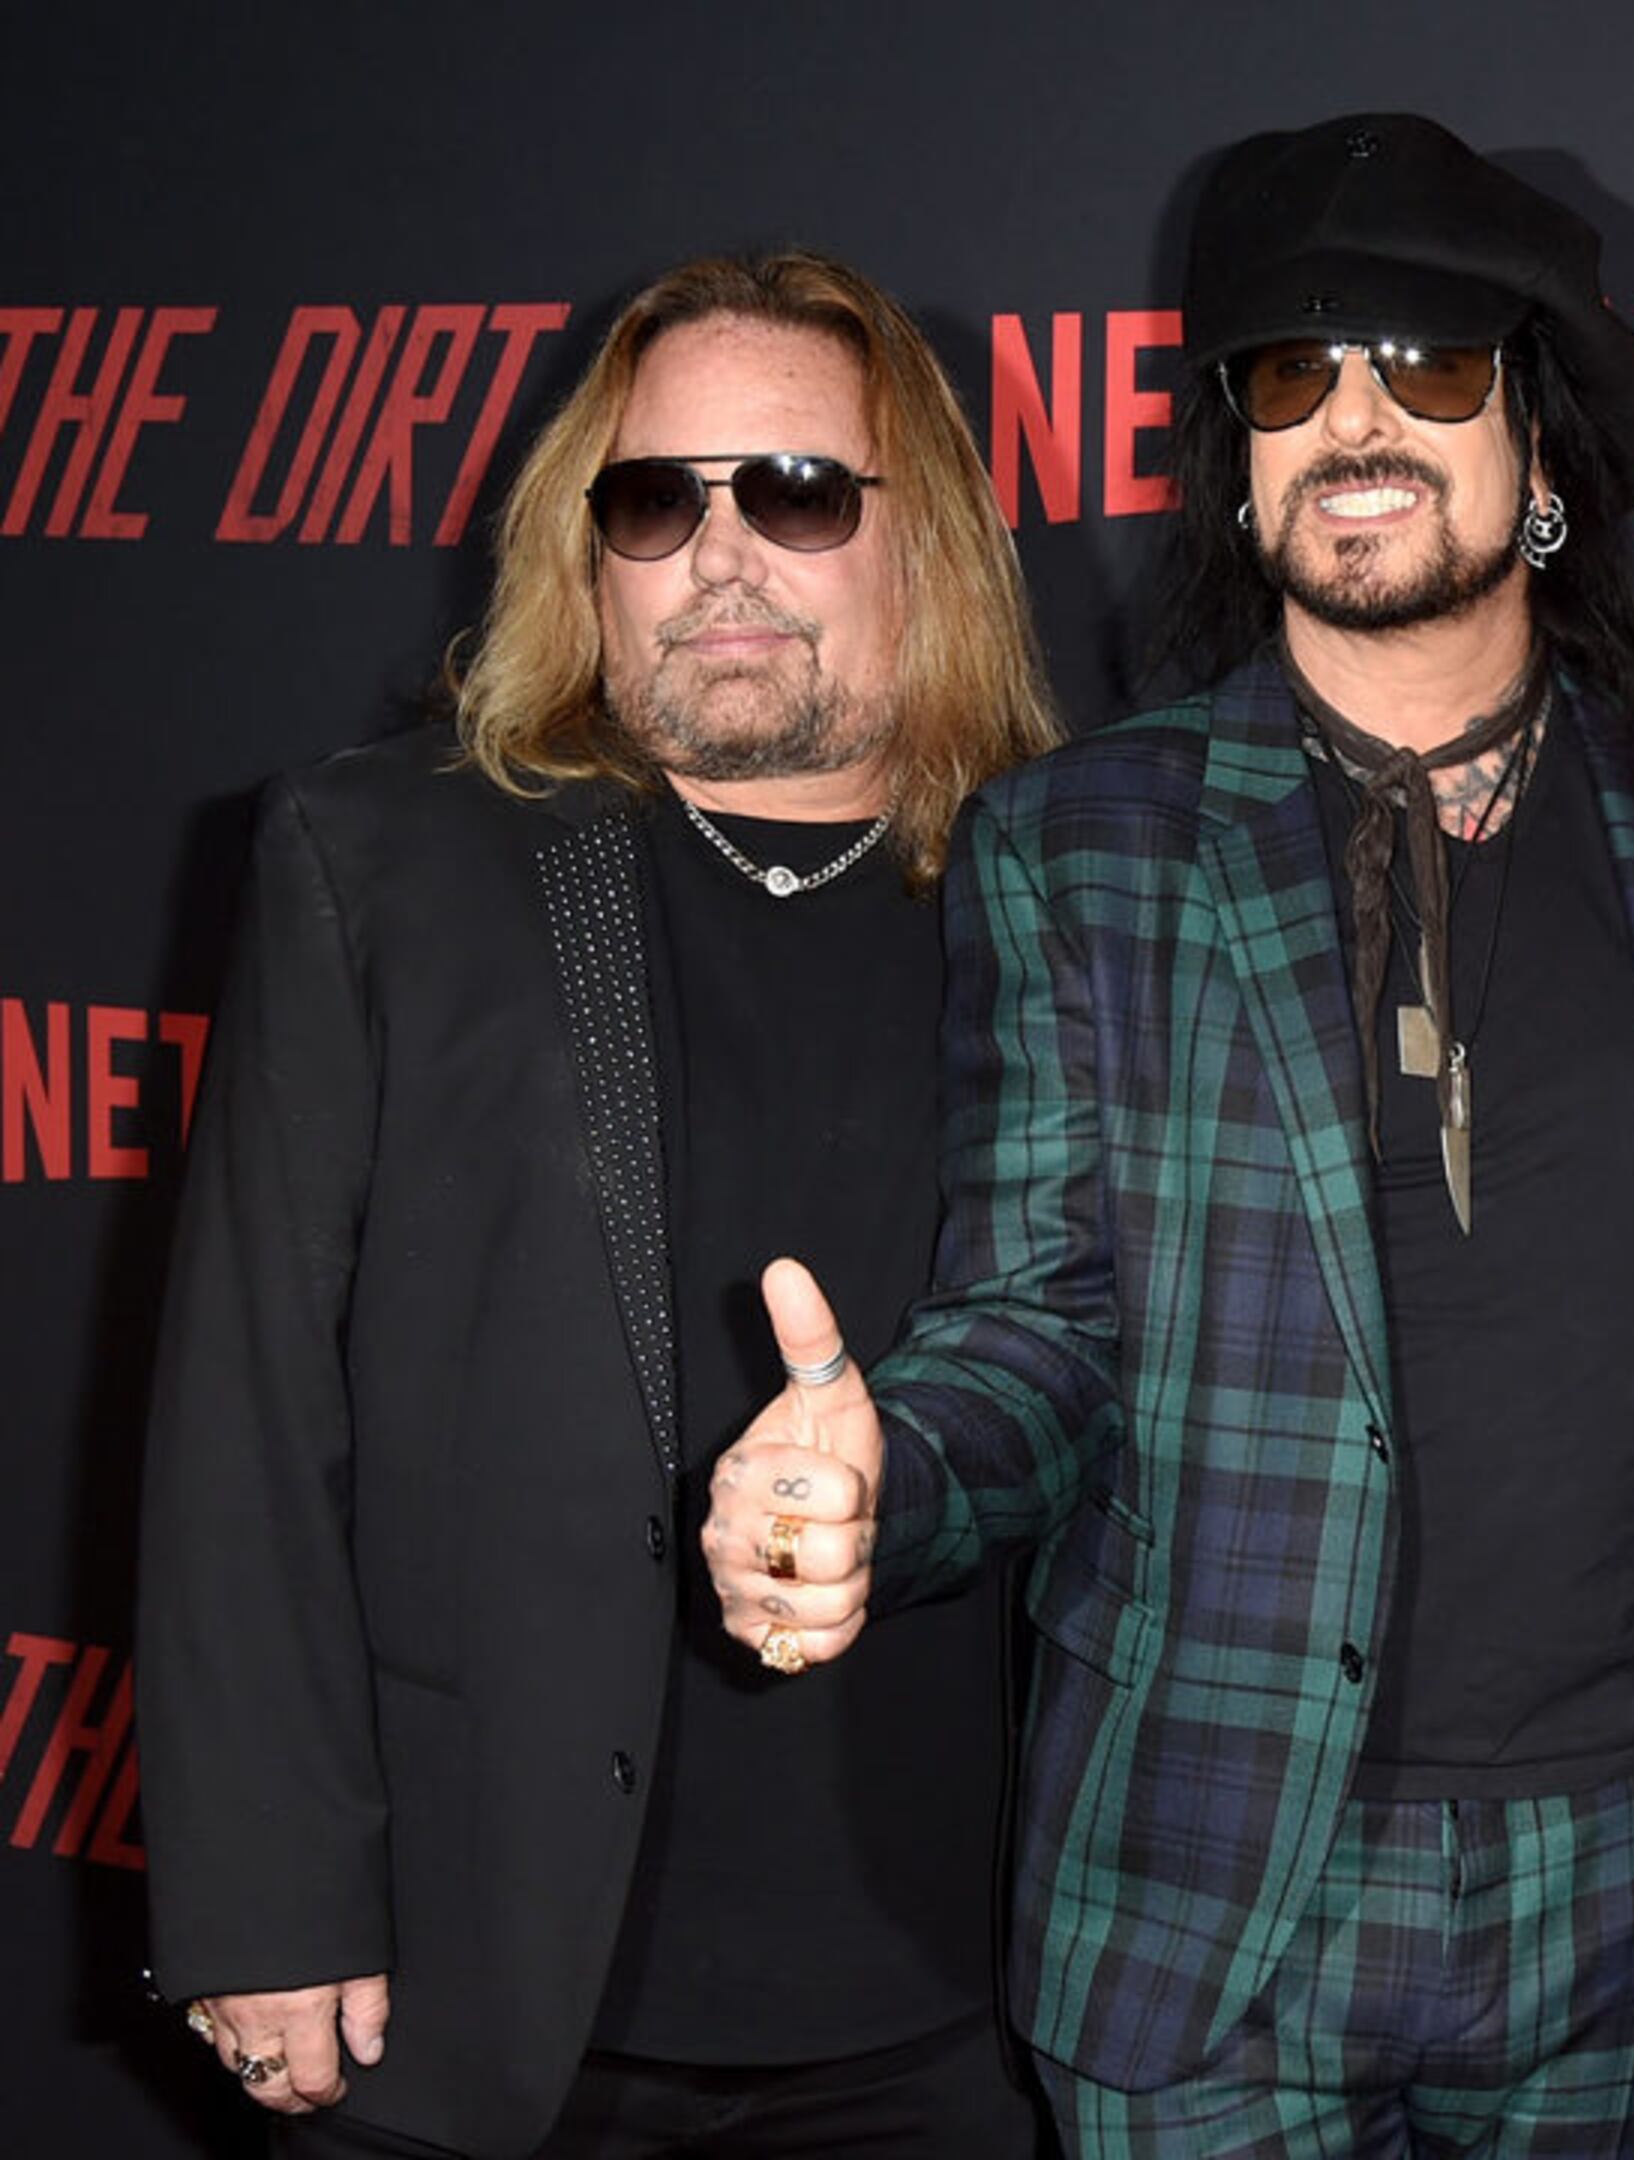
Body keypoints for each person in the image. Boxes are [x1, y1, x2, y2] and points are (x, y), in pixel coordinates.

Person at [694, 114, 1634, 2157]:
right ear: (1240, 468)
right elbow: (1040, 1327)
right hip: (1210, 1874)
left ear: (1541, 449)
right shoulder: (1077, 846)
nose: (1355, 421)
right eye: (1291, 375)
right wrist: (886, 1473)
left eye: (1427, 367)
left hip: (1615, 1869)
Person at [136, 251, 1062, 2156]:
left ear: (931, 541)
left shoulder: (1071, 884)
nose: (720, 555)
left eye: (796, 493)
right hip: (484, 1994)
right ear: (592, 549)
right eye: (657, 499)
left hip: (960, 2003)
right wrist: (261, 1896)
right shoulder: (382, 859)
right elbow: (246, 1413)